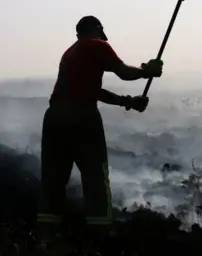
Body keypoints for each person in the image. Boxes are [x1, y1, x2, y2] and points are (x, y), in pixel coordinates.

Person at [37, 16, 163, 232]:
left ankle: (46, 236)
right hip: (82, 117)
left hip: (54, 118)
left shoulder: (70, 53)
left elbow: (94, 91)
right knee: (95, 177)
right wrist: (146, 71)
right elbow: (123, 72)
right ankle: (100, 234)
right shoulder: (98, 45)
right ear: (97, 31)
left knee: (53, 179)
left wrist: (128, 102)